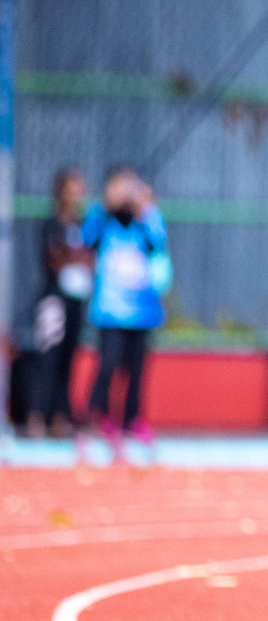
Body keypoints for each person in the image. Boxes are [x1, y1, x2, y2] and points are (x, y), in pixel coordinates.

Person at [83, 166, 170, 448]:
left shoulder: (147, 219)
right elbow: (87, 240)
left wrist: (145, 209)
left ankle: (131, 420)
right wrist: (108, 203)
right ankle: (98, 417)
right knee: (107, 365)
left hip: (142, 311)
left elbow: (159, 244)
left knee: (136, 369)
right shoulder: (102, 217)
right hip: (110, 308)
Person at [29, 168, 92, 437]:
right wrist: (75, 257)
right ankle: (36, 416)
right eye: (74, 185)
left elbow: (91, 259)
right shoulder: (52, 224)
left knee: (68, 359)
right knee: (49, 359)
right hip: (54, 300)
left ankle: (59, 416)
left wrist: (75, 256)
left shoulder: (82, 224)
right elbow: (54, 260)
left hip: (76, 301)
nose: (80, 191)